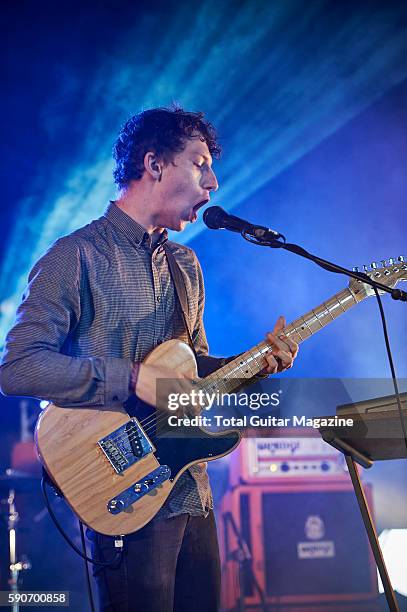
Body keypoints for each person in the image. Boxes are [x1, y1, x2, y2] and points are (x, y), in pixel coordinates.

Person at [0, 106, 298, 612]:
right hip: (122, 489)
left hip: (189, 485)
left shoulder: (186, 264)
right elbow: (18, 367)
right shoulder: (75, 257)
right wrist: (132, 378)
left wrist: (258, 364)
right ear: (154, 164)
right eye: (200, 164)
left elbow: (194, 371)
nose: (214, 183)